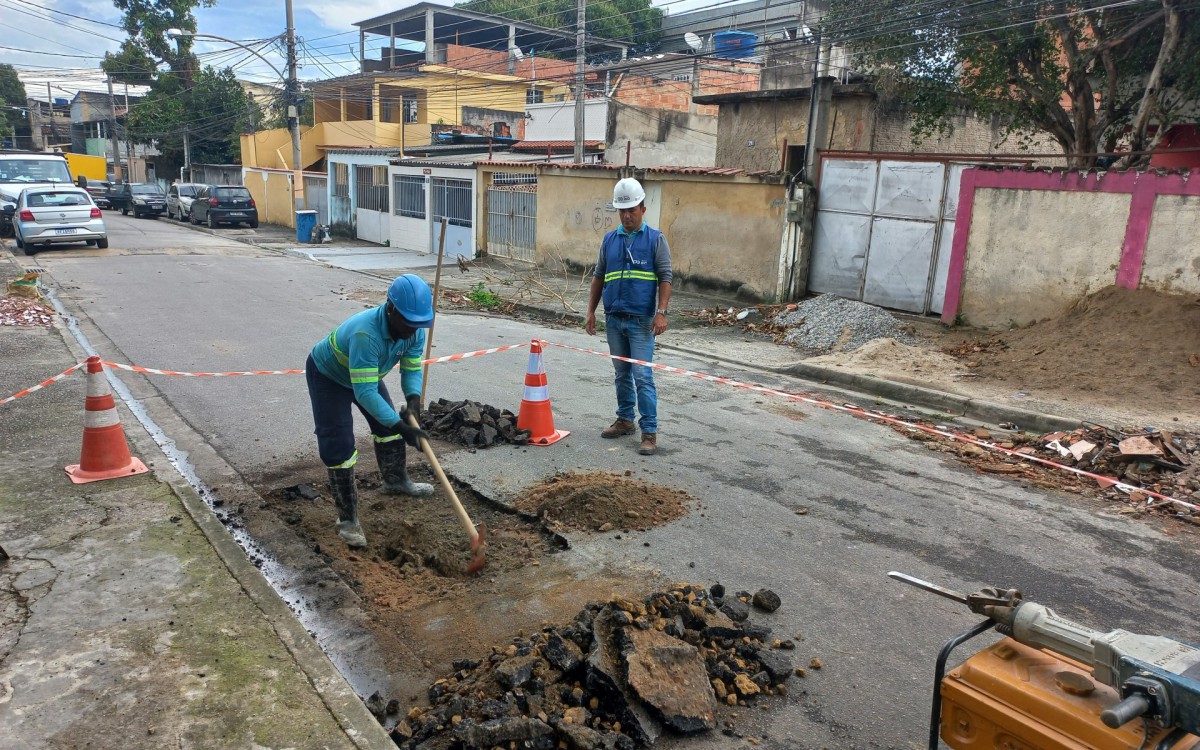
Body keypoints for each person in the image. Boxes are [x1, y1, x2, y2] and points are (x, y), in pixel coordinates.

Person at [306, 274, 435, 548]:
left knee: (387, 428)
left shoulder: (414, 329)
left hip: (366, 373)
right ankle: (348, 521)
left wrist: (413, 403)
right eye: (408, 322)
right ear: (391, 308)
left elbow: (412, 368)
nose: (413, 329)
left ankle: (396, 481)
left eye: (418, 324)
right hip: (329, 376)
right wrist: (403, 427)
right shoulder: (366, 333)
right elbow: (365, 393)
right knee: (339, 444)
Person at [584, 177, 673, 456]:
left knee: (642, 375)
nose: (626, 216)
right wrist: (591, 312)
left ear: (642, 209)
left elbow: (665, 277)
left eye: (631, 210)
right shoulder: (609, 240)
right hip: (614, 319)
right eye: (622, 210)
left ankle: (649, 431)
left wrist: (661, 313)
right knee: (621, 373)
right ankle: (625, 419)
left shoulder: (655, 239)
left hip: (641, 321)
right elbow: (599, 276)